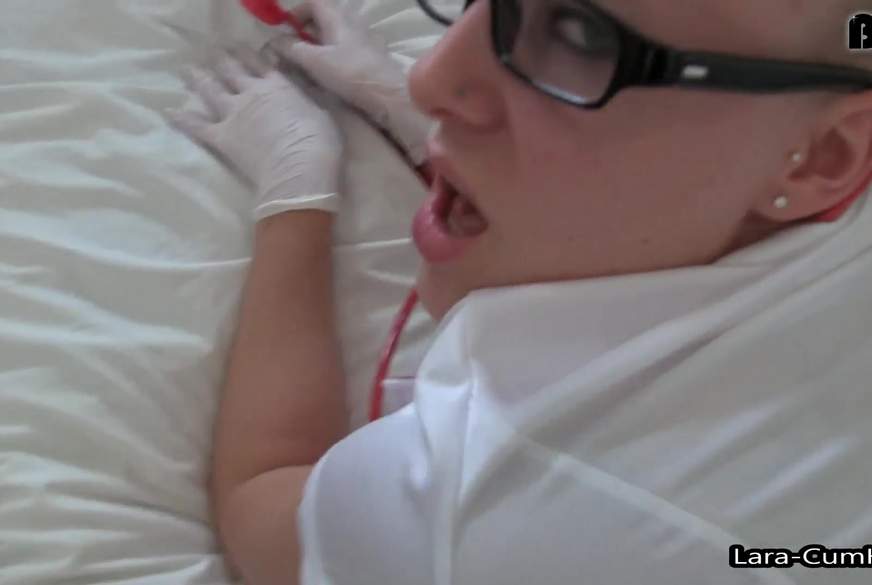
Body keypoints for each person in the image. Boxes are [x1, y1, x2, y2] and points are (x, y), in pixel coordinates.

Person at [169, 0, 872, 583]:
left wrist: (296, 191)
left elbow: (265, 505)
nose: (430, 78)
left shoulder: (505, 512)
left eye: (581, 35)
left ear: (828, 153)